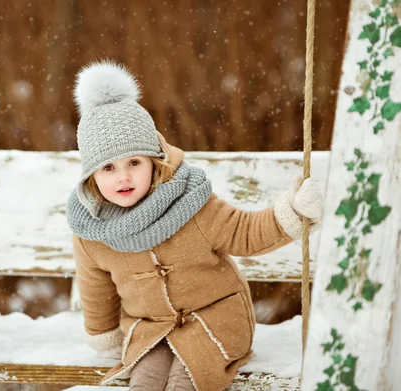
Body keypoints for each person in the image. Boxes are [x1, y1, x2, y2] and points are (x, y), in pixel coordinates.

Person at [65, 61, 323, 391]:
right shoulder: (93, 230)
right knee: (144, 382)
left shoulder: (190, 203)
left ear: (154, 161)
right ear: (91, 177)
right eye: (108, 168)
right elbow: (95, 286)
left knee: (186, 381)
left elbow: (245, 233)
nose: (123, 176)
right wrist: (103, 335)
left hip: (214, 319)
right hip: (150, 327)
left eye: (134, 162)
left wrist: (293, 211)